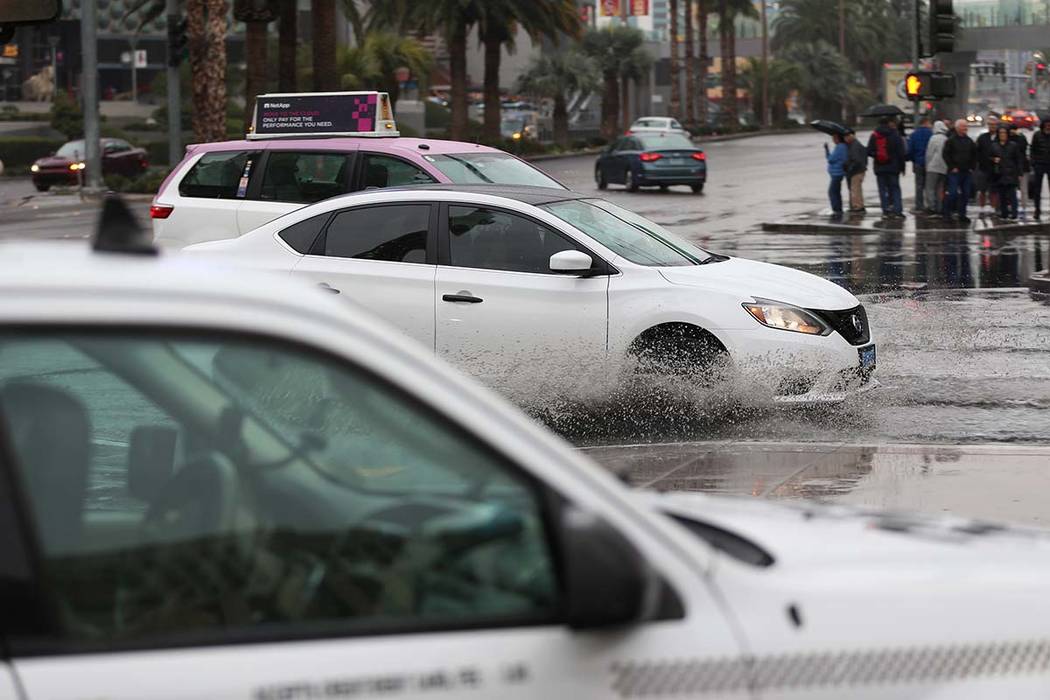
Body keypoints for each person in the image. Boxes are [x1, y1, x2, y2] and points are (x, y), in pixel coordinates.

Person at [867, 116, 907, 218]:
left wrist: (876, 155)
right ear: (889, 123)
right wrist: (902, 168)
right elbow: (901, 153)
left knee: (882, 189)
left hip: (880, 168)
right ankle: (897, 210)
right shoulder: (895, 134)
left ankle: (885, 211)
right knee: (895, 189)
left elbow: (868, 151)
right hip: (894, 167)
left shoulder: (874, 135)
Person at [942, 118, 978, 222]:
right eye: (963, 126)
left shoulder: (969, 141)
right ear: (957, 128)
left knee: (965, 194)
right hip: (955, 172)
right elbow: (946, 155)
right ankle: (947, 213)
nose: (965, 128)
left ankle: (962, 214)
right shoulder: (951, 140)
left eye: (966, 126)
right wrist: (952, 167)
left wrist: (972, 167)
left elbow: (974, 155)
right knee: (952, 193)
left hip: (966, 171)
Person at [991, 124, 1023, 220]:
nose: (1002, 135)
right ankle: (1004, 213)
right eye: (1000, 133)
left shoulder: (1013, 145)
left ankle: (1014, 213)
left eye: (1004, 133)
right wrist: (993, 159)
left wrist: (1019, 173)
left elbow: (1018, 160)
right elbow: (988, 157)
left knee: (1012, 195)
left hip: (1011, 173)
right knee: (1002, 196)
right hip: (999, 174)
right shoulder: (994, 145)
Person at [907, 117, 933, 211]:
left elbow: (909, 150)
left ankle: (919, 205)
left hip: (918, 162)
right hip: (930, 163)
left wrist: (912, 159)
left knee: (919, 185)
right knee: (929, 185)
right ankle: (930, 205)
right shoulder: (931, 134)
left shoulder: (914, 135)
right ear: (926, 123)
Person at [974, 116, 999, 213]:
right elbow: (977, 152)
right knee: (982, 189)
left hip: (996, 168)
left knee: (994, 190)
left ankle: (993, 208)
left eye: (994, 125)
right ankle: (982, 208)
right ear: (988, 125)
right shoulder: (982, 137)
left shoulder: (1000, 136)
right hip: (983, 167)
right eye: (990, 124)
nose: (992, 126)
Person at [924, 121, 950, 215]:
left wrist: (927, 165)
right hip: (944, 168)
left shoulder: (933, 138)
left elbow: (929, 153)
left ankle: (932, 207)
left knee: (930, 188)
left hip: (933, 167)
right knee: (940, 188)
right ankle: (940, 207)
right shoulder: (946, 138)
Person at [1008, 122, 1030, 216]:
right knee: (1014, 189)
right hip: (1012, 168)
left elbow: (1023, 148)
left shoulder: (1021, 138)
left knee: (1023, 189)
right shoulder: (1008, 139)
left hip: (1022, 167)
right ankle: (1014, 207)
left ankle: (1023, 207)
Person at [824, 133, 848, 217]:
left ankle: (836, 209)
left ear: (838, 138)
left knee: (832, 192)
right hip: (838, 173)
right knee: (837, 191)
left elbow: (830, 159)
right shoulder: (843, 146)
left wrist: (826, 150)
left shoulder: (840, 147)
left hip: (837, 173)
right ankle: (838, 208)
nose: (833, 140)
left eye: (834, 138)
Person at [1031, 117, 1050, 219]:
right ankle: (1037, 210)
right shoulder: (1037, 135)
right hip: (1039, 164)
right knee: (1037, 189)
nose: (1048, 126)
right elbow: (1032, 149)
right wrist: (1034, 162)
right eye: (1046, 124)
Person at [844, 130, 867, 212]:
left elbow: (856, 160)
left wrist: (850, 168)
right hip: (860, 170)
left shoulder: (854, 145)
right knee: (857, 189)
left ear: (851, 136)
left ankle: (858, 207)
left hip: (856, 171)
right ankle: (859, 205)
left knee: (855, 189)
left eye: (847, 137)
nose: (845, 139)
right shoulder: (855, 144)